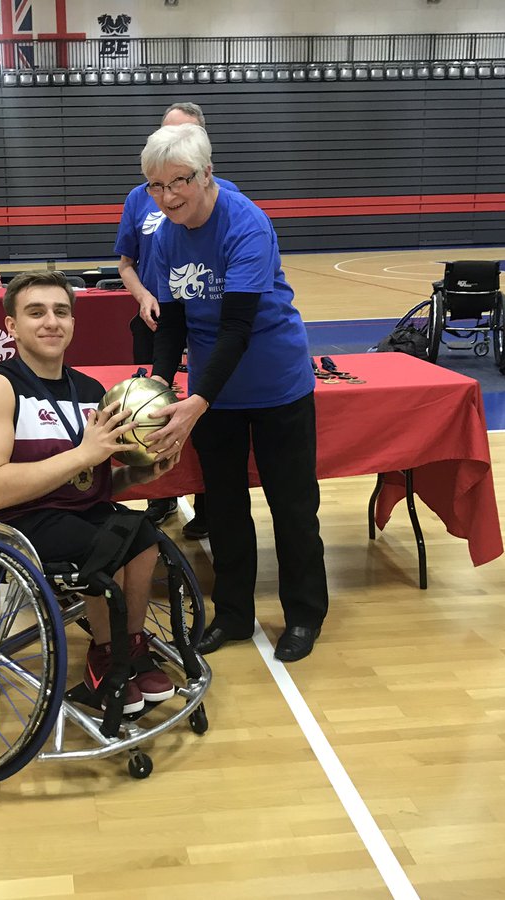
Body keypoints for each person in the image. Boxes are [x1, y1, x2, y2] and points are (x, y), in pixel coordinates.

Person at [139, 123, 329, 663]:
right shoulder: (165, 235)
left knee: (292, 507)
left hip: (275, 386)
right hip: (214, 391)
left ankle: (304, 614)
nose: (168, 195)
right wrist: (160, 384)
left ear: (207, 173)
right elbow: (171, 322)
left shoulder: (247, 225)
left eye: (179, 182)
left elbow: (237, 328)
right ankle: (234, 615)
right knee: (222, 507)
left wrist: (196, 401)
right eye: (155, 185)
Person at [0, 272, 180, 714]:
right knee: (105, 543)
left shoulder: (90, 392)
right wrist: (83, 454)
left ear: (73, 323)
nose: (51, 322)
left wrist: (136, 478)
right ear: (11, 327)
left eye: (61, 312)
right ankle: (105, 655)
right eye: (35, 312)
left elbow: (90, 486)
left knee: (142, 533)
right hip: (13, 523)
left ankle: (127, 649)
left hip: (76, 515)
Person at [115, 101, 238, 539]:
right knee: (155, 408)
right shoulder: (140, 196)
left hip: (207, 329)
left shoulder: (229, 200)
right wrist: (146, 296)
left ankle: (205, 503)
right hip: (160, 321)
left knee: (203, 416)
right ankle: (160, 493)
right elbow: (126, 263)